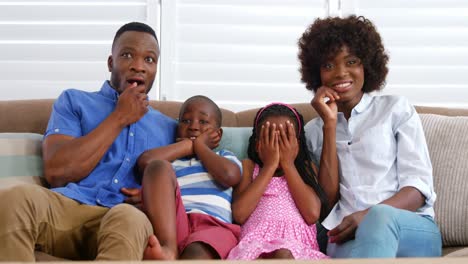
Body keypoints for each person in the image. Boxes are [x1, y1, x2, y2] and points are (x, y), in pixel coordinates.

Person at [0, 22, 177, 261]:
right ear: (110, 63)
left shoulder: (169, 127)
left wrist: (150, 193)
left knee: (130, 219)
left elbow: (180, 186)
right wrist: (119, 117)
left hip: (122, 216)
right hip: (64, 206)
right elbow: (58, 171)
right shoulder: (74, 101)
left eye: (149, 59)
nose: (138, 66)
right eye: (127, 55)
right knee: (15, 200)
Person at [298, 15, 442, 258]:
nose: (340, 73)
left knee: (379, 217)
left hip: (409, 226)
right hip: (346, 232)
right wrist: (330, 125)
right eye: (328, 65)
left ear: (367, 65)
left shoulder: (396, 109)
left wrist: (367, 216)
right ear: (317, 73)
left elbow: (417, 189)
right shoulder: (314, 131)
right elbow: (327, 203)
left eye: (351, 61)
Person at [136, 95, 242, 260]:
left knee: (197, 252)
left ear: (218, 134)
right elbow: (146, 162)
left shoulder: (224, 156)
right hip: (173, 225)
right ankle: (168, 250)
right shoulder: (172, 161)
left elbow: (230, 175)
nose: (193, 127)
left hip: (214, 226)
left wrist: (199, 146)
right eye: (185, 121)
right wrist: (188, 146)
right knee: (159, 166)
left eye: (203, 122)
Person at [227, 103, 329, 260]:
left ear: (297, 144)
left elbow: (312, 214)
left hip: (297, 248)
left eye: (285, 138)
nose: (277, 146)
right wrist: (269, 165)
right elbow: (239, 215)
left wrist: (288, 164)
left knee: (283, 254)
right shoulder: (249, 167)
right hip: (254, 245)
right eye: (270, 138)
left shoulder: (305, 169)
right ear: (257, 144)